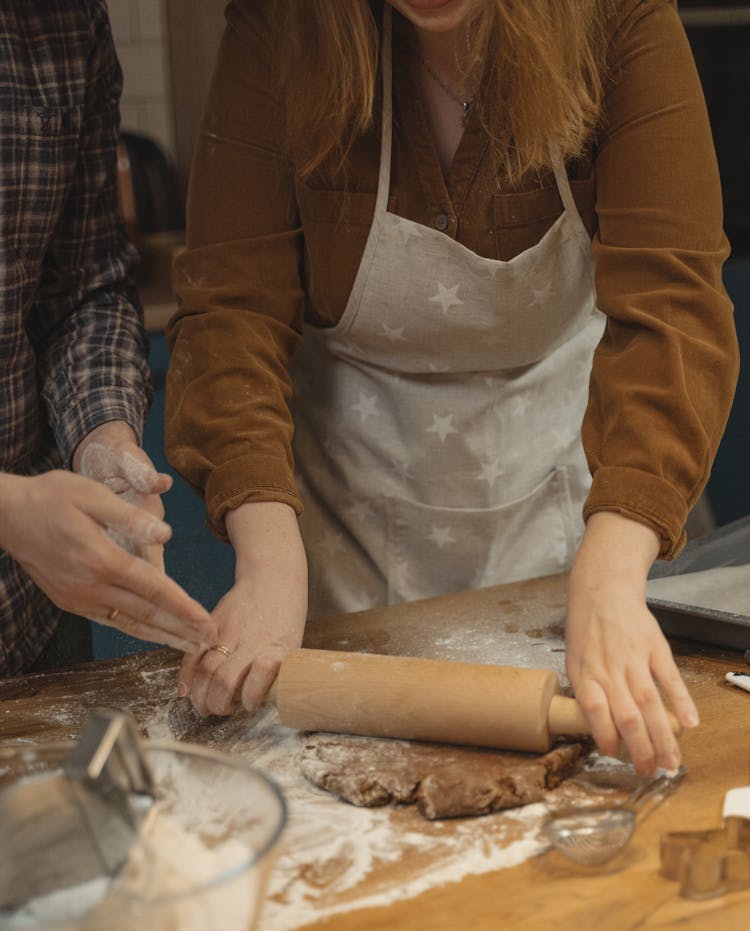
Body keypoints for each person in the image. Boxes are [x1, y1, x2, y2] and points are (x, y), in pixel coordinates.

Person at [166, 0, 739, 776]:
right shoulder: (285, 24)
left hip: (567, 510)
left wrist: (609, 575)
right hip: (341, 522)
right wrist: (269, 562)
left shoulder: (616, 19)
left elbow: (672, 311)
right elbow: (232, 308)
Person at [0, 2, 215, 677]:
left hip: (27, 613)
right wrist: (10, 511)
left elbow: (83, 287)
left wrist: (103, 436)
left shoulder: (62, 22)